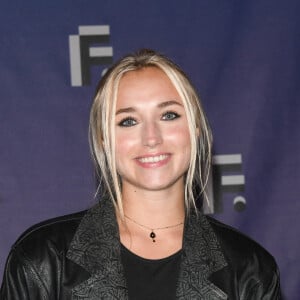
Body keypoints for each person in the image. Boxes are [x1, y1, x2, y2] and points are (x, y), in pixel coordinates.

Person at [0, 49, 280, 299]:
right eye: (128, 121)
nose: (151, 138)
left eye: (168, 115)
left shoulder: (249, 269)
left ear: (195, 128)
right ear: (103, 140)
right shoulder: (43, 260)